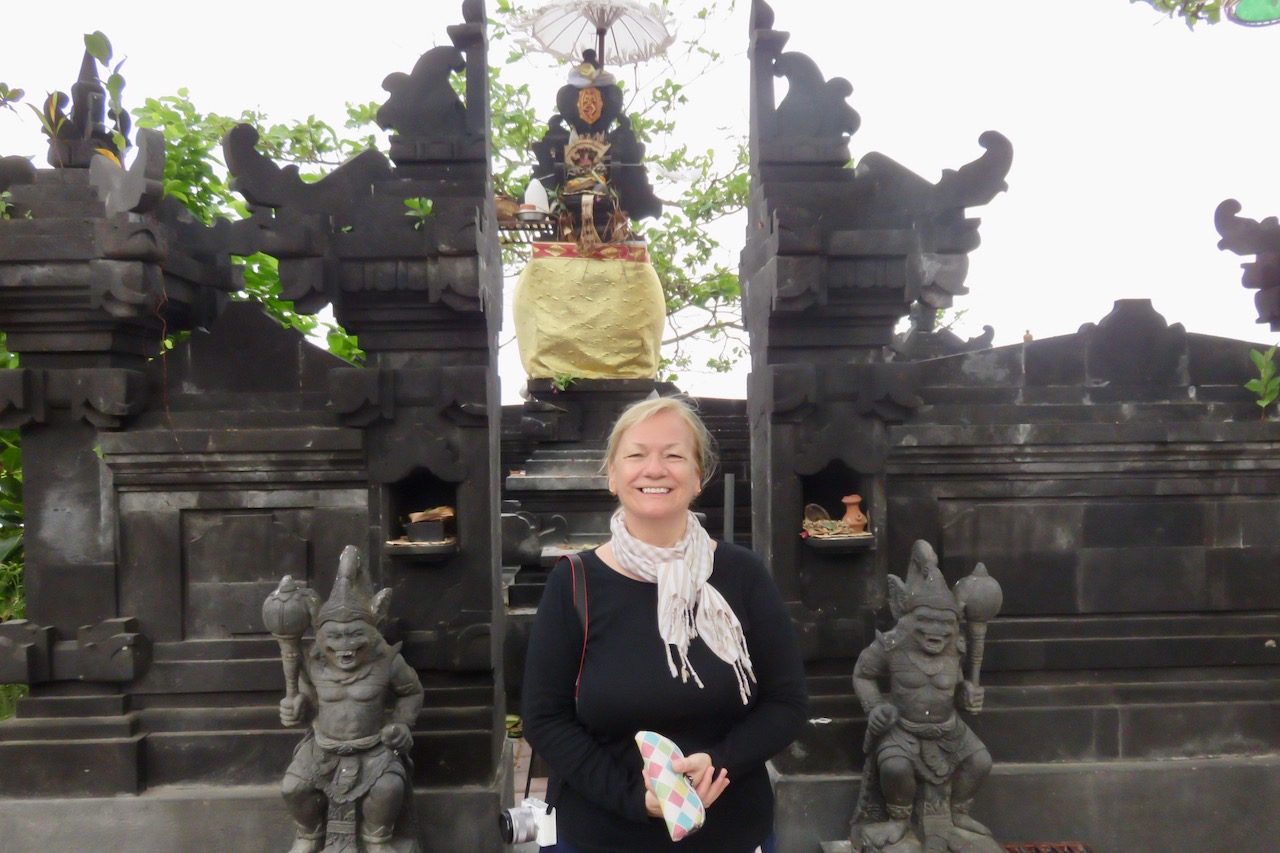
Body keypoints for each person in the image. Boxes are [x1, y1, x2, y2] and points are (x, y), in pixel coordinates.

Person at [522, 396, 808, 852]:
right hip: (601, 831)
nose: (654, 469)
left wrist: (719, 763)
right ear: (613, 475)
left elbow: (787, 702)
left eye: (674, 455)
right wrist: (635, 797)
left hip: (728, 830)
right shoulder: (574, 582)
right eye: (636, 455)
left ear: (698, 477)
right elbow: (544, 718)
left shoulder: (743, 575)